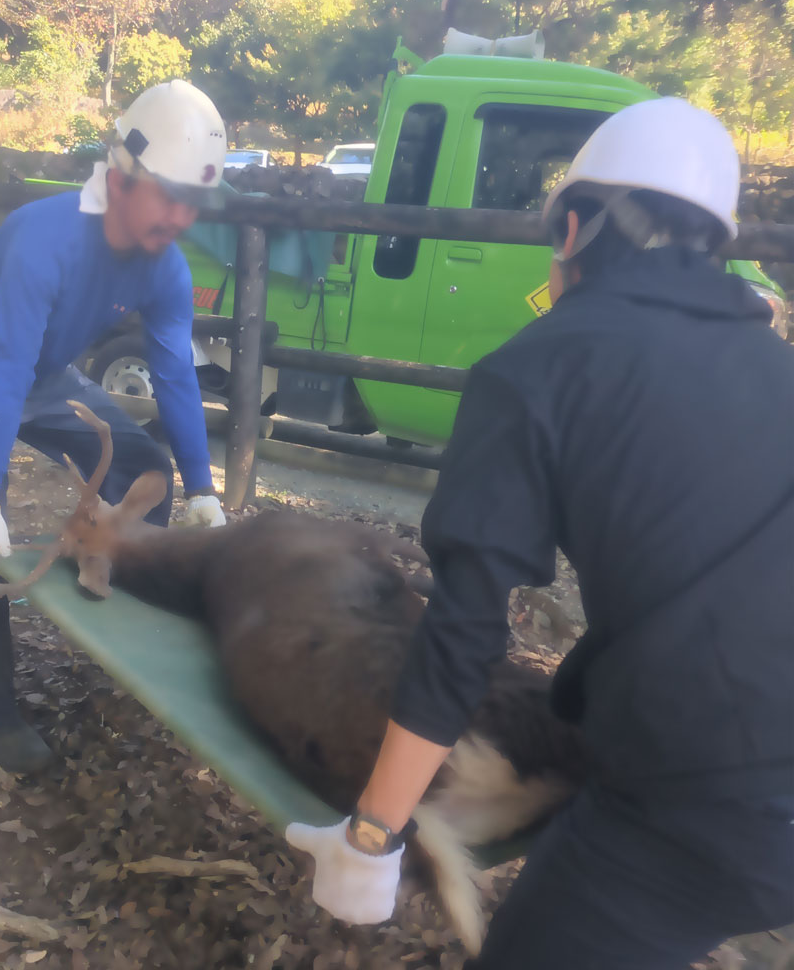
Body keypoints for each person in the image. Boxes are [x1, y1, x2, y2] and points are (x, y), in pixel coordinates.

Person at [284, 97, 794, 968]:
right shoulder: (777, 367)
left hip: (703, 803)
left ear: (568, 227)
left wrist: (373, 835)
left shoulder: (537, 369)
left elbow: (464, 631)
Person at [0, 80, 230, 774]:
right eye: (167, 194)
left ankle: (117, 616)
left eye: (192, 203)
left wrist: (203, 489)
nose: (179, 216)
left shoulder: (166, 269)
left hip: (45, 370)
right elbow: (4, 363)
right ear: (121, 175)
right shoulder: (46, 239)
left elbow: (175, 375)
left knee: (146, 469)